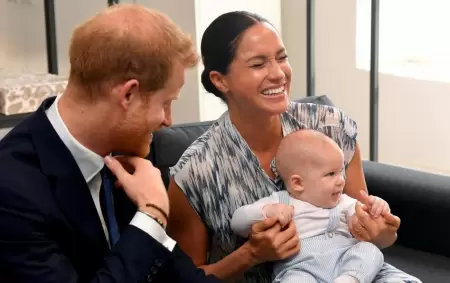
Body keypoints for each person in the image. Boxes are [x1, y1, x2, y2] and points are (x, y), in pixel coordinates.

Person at [167, 10, 422, 283]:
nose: (278, 74)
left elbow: (362, 231)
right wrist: (251, 254)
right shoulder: (194, 174)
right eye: (258, 64)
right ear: (220, 80)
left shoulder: (331, 128)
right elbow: (184, 278)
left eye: (282, 57)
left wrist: (382, 232)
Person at [0, 4, 220, 283]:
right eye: (166, 103)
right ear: (128, 94)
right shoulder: (11, 190)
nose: (168, 120)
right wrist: (151, 216)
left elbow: (177, 273)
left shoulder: (127, 149)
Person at [231, 129, 390, 283]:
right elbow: (237, 222)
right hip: (301, 269)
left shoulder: (343, 201)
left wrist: (377, 207)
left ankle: (350, 280)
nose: (341, 180)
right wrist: (267, 211)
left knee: (370, 251)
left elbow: (367, 219)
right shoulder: (280, 202)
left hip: (345, 264)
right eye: (331, 174)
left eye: (341, 171)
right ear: (298, 183)